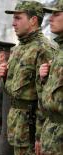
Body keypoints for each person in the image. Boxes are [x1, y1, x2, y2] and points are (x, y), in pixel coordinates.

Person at [0, 1, 55, 154]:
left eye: (18, 18)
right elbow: (14, 91)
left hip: (31, 127)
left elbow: (46, 96)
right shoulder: (18, 49)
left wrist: (40, 135)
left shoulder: (43, 49)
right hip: (16, 126)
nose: (13, 23)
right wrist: (4, 77)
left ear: (33, 20)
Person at [38, 1, 63, 154]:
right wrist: (44, 78)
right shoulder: (59, 51)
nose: (50, 19)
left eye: (56, 14)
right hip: (51, 133)